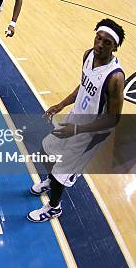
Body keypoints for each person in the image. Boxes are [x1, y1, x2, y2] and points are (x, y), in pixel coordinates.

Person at [28, 19, 125, 222]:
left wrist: (77, 129)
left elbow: (113, 120)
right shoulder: (89, 55)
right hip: (75, 119)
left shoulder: (115, 78)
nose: (100, 44)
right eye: (98, 38)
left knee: (60, 173)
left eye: (106, 42)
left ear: (115, 47)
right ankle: (51, 181)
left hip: (91, 133)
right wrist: (61, 105)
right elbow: (83, 86)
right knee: (46, 150)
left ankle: (54, 208)